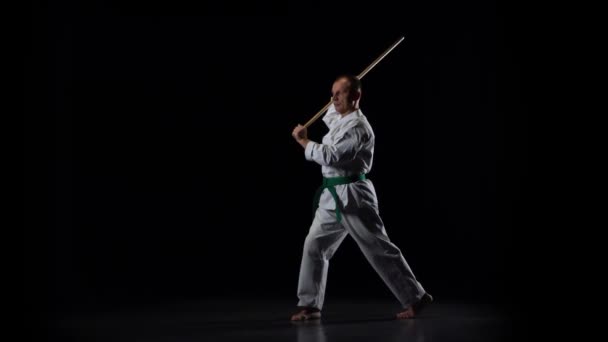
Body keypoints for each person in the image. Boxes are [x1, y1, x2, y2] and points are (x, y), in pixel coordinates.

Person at [290, 75, 432, 321]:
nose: (334, 98)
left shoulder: (358, 127)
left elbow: (332, 155)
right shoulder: (342, 118)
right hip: (331, 198)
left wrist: (304, 142)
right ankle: (310, 305)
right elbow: (331, 115)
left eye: (340, 93)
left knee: (379, 249)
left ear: (356, 97)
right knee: (314, 245)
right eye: (332, 92)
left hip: (354, 197)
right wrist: (334, 102)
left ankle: (416, 297)